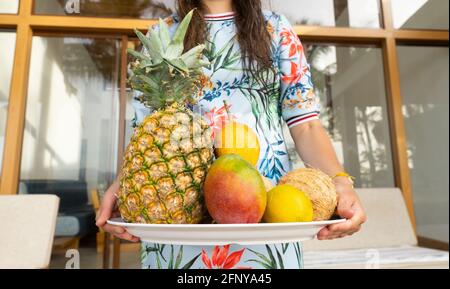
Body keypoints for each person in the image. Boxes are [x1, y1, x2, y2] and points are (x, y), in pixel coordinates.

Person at [96, 0, 366, 269]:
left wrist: (341, 182)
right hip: (176, 220)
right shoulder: (164, 34)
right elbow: (149, 137)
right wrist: (124, 186)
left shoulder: (276, 29)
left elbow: (305, 123)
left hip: (268, 219)